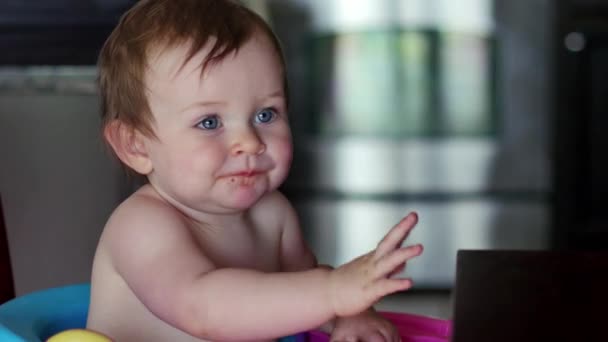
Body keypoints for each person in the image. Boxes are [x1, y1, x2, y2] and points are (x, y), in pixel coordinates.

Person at [87, 0, 424, 341]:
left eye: (266, 115)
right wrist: (333, 293)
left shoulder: (272, 214)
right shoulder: (142, 226)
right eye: (209, 122)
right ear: (136, 146)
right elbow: (203, 310)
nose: (248, 142)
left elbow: (300, 288)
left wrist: (348, 315)